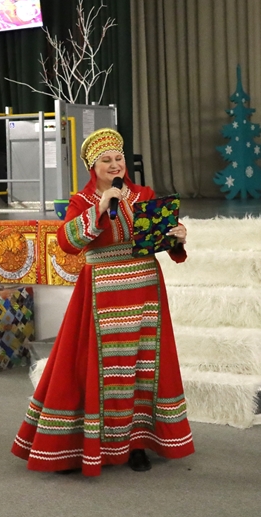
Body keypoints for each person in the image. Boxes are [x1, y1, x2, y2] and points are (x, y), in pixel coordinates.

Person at [11, 128, 194, 476]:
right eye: (106, 160)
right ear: (92, 168)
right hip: (101, 293)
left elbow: (159, 237)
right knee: (95, 368)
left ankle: (136, 443)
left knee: (142, 366)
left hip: (144, 287)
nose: (114, 165)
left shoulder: (143, 195)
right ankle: (80, 445)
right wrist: (99, 208)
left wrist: (176, 236)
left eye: (118, 158)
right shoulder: (81, 201)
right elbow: (67, 242)